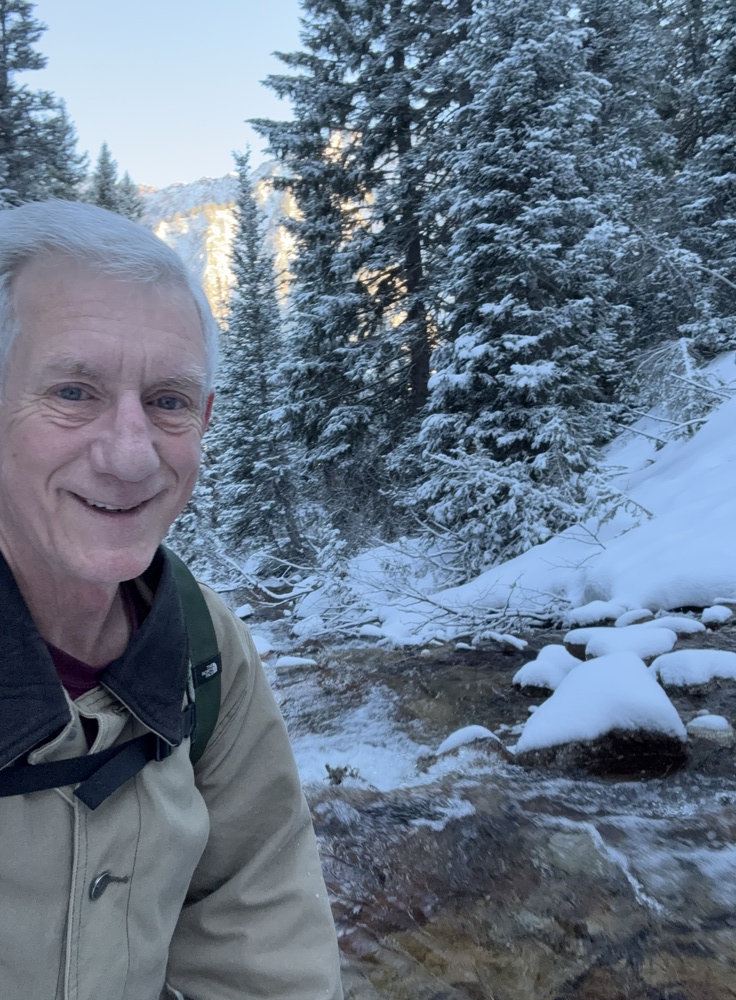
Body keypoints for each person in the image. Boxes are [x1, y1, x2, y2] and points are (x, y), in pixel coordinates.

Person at [0, 199, 343, 1000]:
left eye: (169, 401)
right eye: (74, 392)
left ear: (206, 421)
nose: (131, 456)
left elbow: (263, 933)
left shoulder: (203, 647)